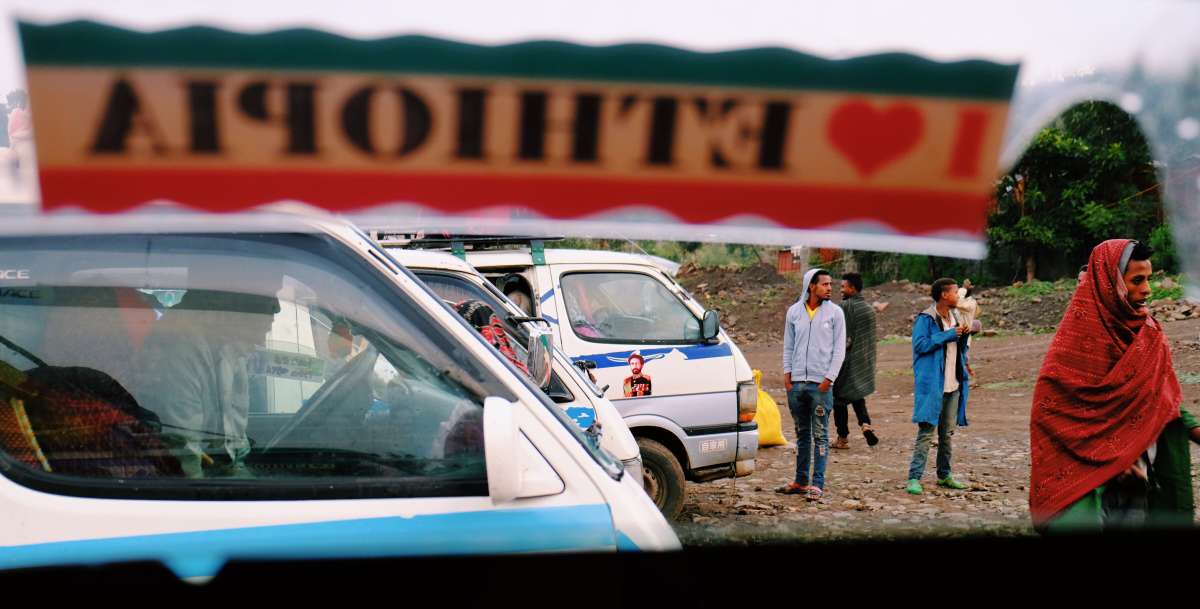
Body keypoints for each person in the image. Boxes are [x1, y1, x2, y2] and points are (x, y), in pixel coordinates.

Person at [1030, 239, 1200, 530]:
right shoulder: (1075, 345)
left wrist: (1194, 429)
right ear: (1110, 283)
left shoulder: (1149, 335)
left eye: (1149, 279)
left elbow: (1162, 398)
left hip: (1140, 480)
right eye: (1136, 280)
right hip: (1086, 486)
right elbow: (1053, 415)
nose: (1146, 289)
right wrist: (1112, 464)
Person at [133, 289, 280, 478]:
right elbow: (182, 446)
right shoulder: (180, 351)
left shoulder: (229, 350)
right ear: (232, 318)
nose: (260, 342)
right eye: (256, 331)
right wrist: (200, 494)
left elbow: (234, 435)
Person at [776, 268, 845, 502]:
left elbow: (839, 350)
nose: (829, 288)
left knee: (821, 436)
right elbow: (788, 345)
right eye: (825, 284)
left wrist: (829, 379)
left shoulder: (836, 313)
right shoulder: (794, 312)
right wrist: (787, 374)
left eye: (830, 284)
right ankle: (800, 481)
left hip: (821, 386)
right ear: (811, 286)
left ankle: (817, 484)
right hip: (796, 385)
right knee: (802, 434)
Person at [905, 277, 973, 494]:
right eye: (955, 292)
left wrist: (963, 336)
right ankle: (913, 478)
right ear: (944, 295)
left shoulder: (953, 316)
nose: (958, 296)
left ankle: (944, 475)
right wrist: (950, 334)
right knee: (926, 432)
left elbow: (955, 348)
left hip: (952, 386)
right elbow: (920, 345)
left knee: (946, 434)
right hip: (933, 385)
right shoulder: (926, 318)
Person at [832, 272, 878, 449]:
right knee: (857, 396)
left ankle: (842, 438)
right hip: (863, 362)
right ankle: (865, 424)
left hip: (845, 362)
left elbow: (840, 337)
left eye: (843, 287)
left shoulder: (844, 307)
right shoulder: (869, 309)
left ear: (852, 288)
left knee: (839, 400)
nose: (841, 290)